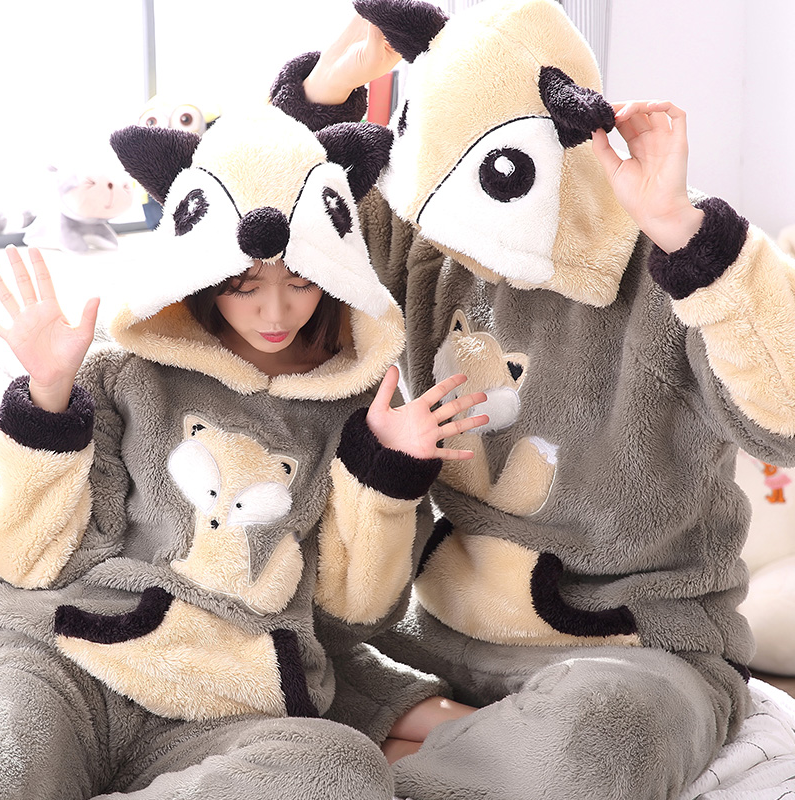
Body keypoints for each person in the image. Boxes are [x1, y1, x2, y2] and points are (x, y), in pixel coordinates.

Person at [268, 0, 795, 798]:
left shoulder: (667, 266)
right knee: (258, 640)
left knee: (606, 728)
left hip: (631, 651)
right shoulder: (427, 234)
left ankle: (423, 757)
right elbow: (273, 235)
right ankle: (438, 722)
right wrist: (318, 98)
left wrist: (690, 238)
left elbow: (782, 422)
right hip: (439, 630)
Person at [0, 106, 488, 799]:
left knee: (339, 768)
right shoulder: (123, 376)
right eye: (243, 285)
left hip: (226, 707)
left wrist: (386, 475)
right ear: (205, 271)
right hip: (72, 661)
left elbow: (353, 615)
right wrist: (48, 397)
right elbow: (31, 559)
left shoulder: (360, 409)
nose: (274, 313)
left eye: (300, 281)